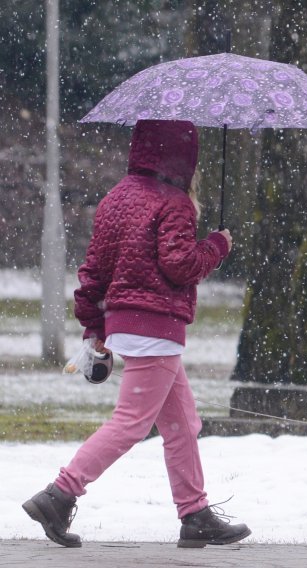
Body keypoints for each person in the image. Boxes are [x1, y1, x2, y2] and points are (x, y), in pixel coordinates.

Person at [22, 119, 251, 548]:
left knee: (183, 423)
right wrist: (217, 245)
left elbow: (93, 272)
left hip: (126, 321)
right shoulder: (175, 202)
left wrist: (95, 325)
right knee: (130, 423)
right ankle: (60, 493)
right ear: (184, 154)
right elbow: (181, 264)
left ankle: (195, 513)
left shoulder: (116, 198)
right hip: (156, 326)